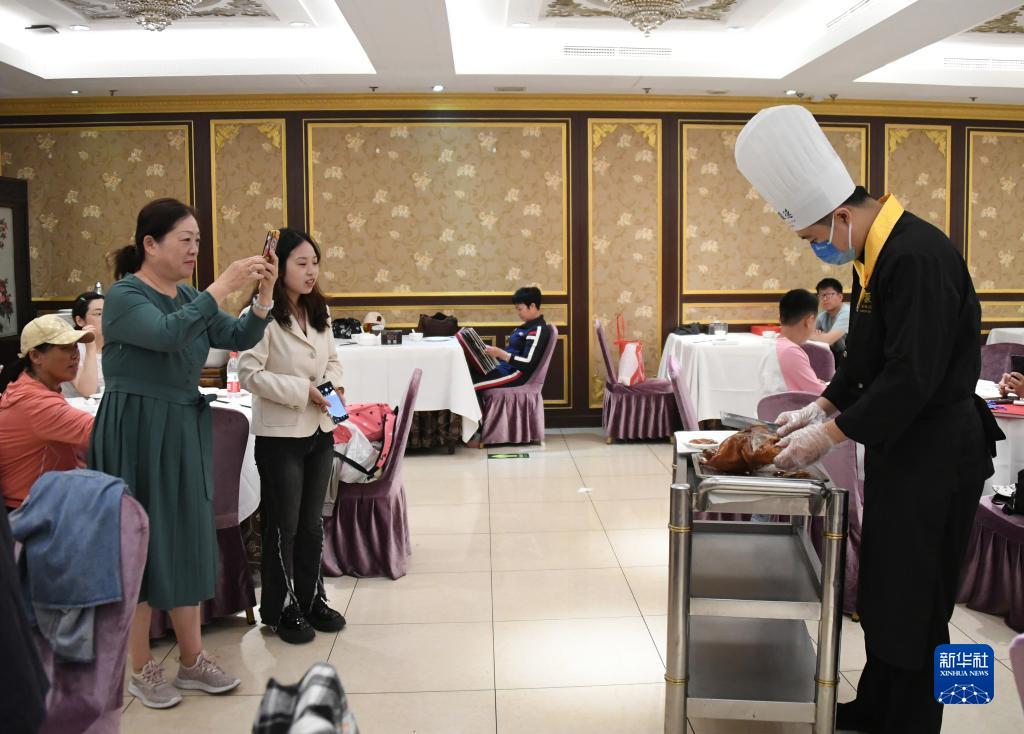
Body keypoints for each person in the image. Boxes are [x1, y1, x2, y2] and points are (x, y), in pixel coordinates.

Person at [736, 105, 1002, 734]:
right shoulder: (874, 257)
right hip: (902, 449)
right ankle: (878, 706)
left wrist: (826, 437)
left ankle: (921, 721)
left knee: (924, 602)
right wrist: (820, 405)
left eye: (814, 235)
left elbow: (912, 377)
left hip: (940, 453)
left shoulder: (917, 255)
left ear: (842, 215)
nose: (818, 247)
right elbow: (867, 364)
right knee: (886, 591)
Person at [88, 198, 278, 710]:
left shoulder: (190, 296)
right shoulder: (126, 296)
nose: (195, 249)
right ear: (150, 244)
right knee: (138, 544)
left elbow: (238, 335)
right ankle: (141, 668)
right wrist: (221, 287)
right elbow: (167, 336)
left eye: (197, 240)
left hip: (180, 425)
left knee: (188, 538)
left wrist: (262, 295)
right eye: (185, 240)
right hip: (135, 428)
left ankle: (192, 660)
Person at [237, 228, 346, 645]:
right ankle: (281, 608)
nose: (311, 271)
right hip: (281, 434)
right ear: (279, 267)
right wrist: (303, 391)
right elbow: (250, 373)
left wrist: (332, 390)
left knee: (312, 524)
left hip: (320, 429)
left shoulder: (319, 310)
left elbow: (332, 360)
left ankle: (312, 598)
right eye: (301, 263)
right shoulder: (260, 314)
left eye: (314, 262)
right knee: (283, 525)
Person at [0, 315, 95, 510]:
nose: (75, 354)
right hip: (29, 512)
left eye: (75, 346)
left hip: (45, 501)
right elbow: (102, 432)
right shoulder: (35, 403)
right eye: (65, 347)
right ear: (36, 356)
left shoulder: (29, 386)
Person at [472, 286, 553, 392]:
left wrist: (501, 354)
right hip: (504, 367)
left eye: (520, 309)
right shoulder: (526, 327)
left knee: (469, 383)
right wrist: (492, 352)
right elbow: (512, 351)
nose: (518, 313)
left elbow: (528, 362)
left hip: (515, 374)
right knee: (470, 372)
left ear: (532, 306)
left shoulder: (538, 330)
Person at [760, 288, 826, 395]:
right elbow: (820, 394)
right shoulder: (790, 351)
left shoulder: (773, 345)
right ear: (809, 321)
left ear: (780, 319)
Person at [62, 291, 105, 398]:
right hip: (77, 406)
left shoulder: (119, 346)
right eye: (99, 314)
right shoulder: (70, 349)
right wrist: (90, 345)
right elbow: (87, 391)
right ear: (80, 321)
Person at [808, 277, 849, 356]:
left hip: (852, 357)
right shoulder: (822, 316)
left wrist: (818, 336)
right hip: (837, 356)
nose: (825, 298)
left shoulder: (846, 313)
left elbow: (828, 340)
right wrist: (817, 334)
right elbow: (809, 331)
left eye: (829, 295)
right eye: (822, 295)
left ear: (840, 297)